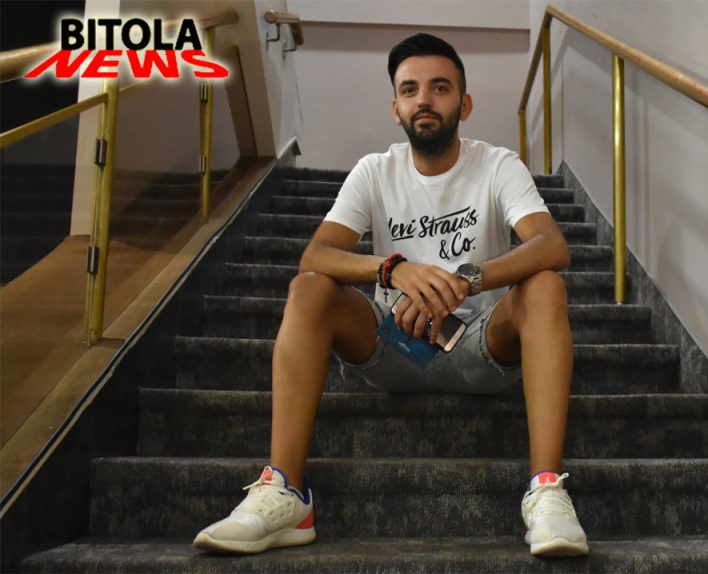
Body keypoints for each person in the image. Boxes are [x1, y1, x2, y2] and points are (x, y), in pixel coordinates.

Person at [193, 33, 589, 557]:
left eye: (440, 88)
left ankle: (547, 492)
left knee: (545, 284)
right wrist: (391, 269)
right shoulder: (375, 171)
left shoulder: (497, 165)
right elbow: (316, 255)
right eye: (410, 90)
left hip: (481, 345)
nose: (424, 99)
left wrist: (466, 278)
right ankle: (285, 493)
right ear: (395, 107)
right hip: (395, 342)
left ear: (464, 104)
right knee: (309, 288)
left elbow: (550, 245)